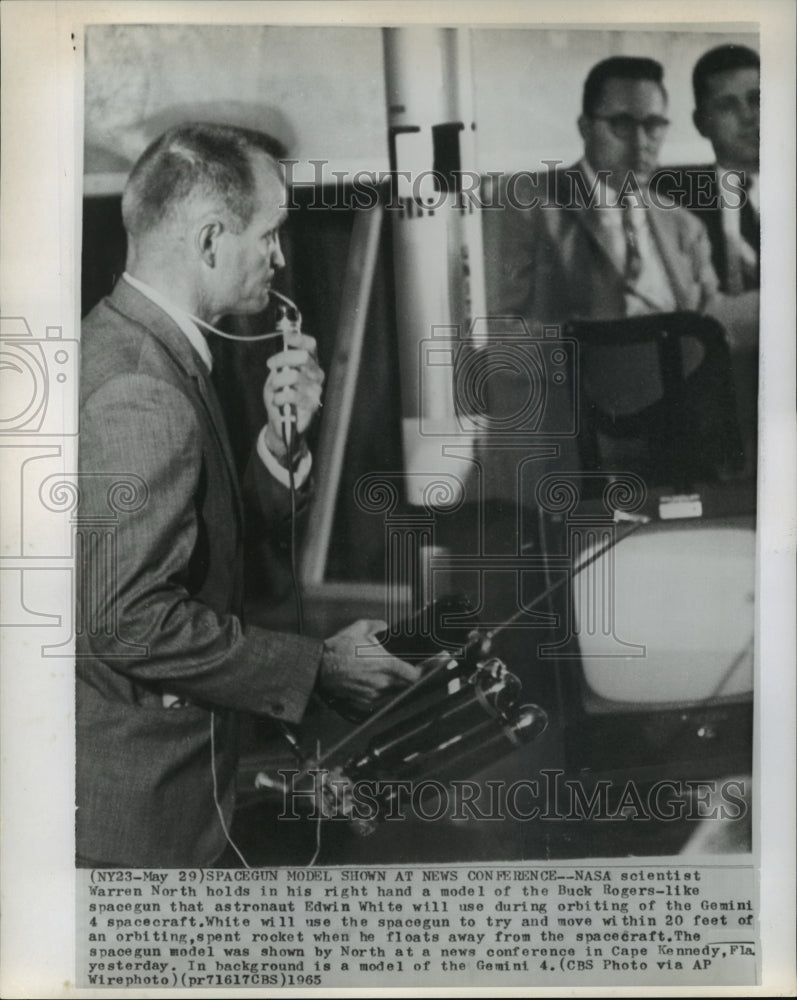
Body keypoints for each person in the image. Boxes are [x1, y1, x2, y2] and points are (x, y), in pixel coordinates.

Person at [76, 123, 420, 868]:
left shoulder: (131, 347)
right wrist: (319, 667)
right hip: (142, 818)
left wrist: (280, 446)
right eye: (269, 235)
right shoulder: (141, 387)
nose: (281, 257)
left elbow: (199, 549)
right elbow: (125, 621)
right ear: (208, 240)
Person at [481, 56, 758, 498]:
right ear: (585, 127)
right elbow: (493, 335)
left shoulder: (681, 224)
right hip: (575, 436)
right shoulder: (525, 205)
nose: (641, 142)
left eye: (654, 125)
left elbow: (710, 324)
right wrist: (603, 346)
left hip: (674, 436)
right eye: (622, 125)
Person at [686, 44, 760, 294]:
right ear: (701, 123)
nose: (749, 116)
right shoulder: (673, 203)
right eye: (728, 106)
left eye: (756, 99)